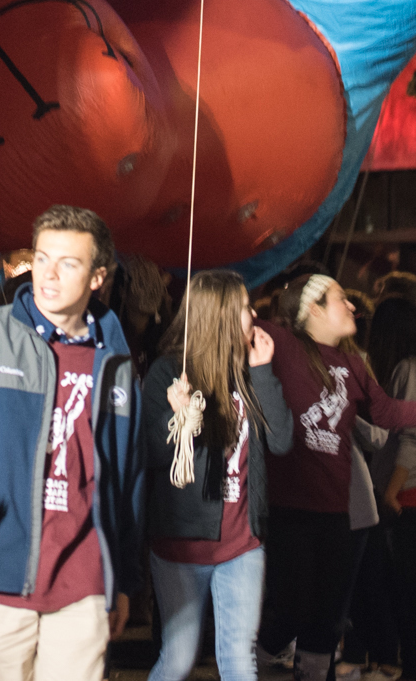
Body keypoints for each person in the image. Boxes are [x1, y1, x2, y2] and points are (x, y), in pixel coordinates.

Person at [0, 203, 146, 681]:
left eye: (69, 263)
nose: (49, 275)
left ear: (98, 276)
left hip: (84, 575)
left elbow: (130, 479)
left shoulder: (116, 364)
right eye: (42, 259)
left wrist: (125, 580)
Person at [255, 272, 416, 681]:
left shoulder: (354, 364)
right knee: (295, 607)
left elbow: (387, 414)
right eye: (340, 299)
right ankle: (258, 661)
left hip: (339, 512)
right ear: (313, 308)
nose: (353, 306)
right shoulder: (281, 345)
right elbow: (233, 315)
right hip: (292, 508)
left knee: (328, 614)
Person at [139, 272, 292, 681]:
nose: (254, 314)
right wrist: (180, 418)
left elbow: (281, 441)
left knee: (240, 659)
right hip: (181, 546)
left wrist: (263, 372)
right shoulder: (169, 372)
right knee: (179, 658)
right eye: (245, 307)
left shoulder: (249, 372)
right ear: (221, 315)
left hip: (242, 544)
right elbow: (150, 453)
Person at [357, 298, 416, 681]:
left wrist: (390, 491)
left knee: (407, 590)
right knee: (405, 588)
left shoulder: (410, 368)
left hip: (412, 486)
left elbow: (415, 436)